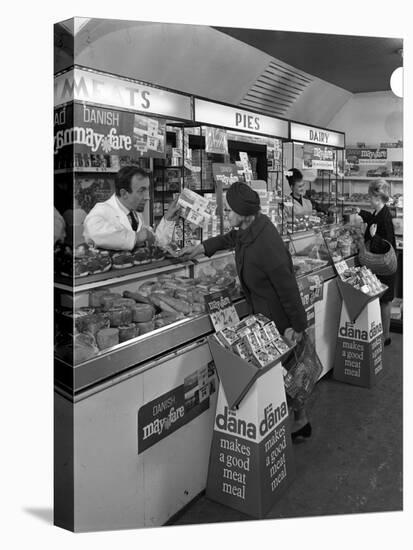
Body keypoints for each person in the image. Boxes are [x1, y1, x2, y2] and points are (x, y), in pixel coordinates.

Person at [179, 181, 311, 440]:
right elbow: (231, 237)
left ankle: (288, 425)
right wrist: (202, 247)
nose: (226, 214)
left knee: (284, 375)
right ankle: (300, 421)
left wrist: (297, 326)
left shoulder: (267, 243)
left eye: (228, 211)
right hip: (263, 313)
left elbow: (288, 287)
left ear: (244, 213)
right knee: (285, 374)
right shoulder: (252, 227)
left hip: (277, 319)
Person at [83, 165, 180, 250]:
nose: (147, 197)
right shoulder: (102, 210)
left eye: (147, 190)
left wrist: (167, 220)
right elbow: (94, 233)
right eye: (141, 191)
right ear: (124, 193)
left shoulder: (134, 213)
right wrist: (136, 237)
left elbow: (156, 243)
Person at [355, 179, 396, 346]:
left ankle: (385, 337)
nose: (368, 199)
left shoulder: (384, 217)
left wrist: (373, 237)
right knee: (382, 299)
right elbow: (372, 219)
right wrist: (360, 212)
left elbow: (387, 243)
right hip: (380, 265)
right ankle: (380, 334)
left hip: (384, 266)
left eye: (370, 196)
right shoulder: (379, 212)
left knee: (385, 300)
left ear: (378, 197)